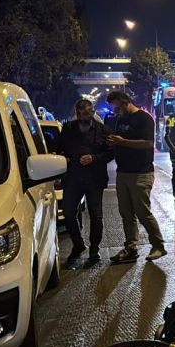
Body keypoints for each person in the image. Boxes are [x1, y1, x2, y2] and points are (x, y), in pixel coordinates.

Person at [105, 91, 166, 263]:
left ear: (125, 102)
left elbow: (148, 144)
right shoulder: (121, 119)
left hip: (141, 173)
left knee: (142, 212)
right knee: (126, 213)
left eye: (116, 107)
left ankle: (158, 245)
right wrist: (114, 142)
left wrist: (121, 142)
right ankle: (130, 248)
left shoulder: (145, 119)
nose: (115, 112)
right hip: (123, 172)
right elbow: (120, 140)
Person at [58, 99, 113, 265]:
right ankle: (78, 245)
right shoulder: (68, 128)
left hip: (94, 180)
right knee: (68, 213)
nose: (83, 117)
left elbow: (111, 152)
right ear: (76, 113)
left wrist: (94, 158)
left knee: (96, 216)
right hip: (73, 178)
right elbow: (58, 147)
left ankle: (94, 250)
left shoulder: (103, 130)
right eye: (80, 114)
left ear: (92, 112)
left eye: (87, 113)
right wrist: (64, 158)